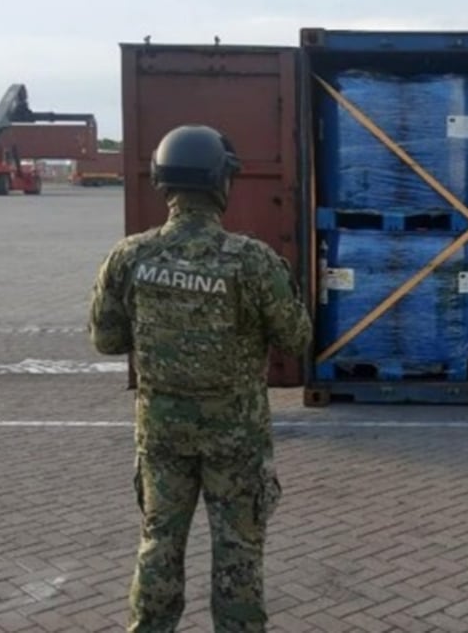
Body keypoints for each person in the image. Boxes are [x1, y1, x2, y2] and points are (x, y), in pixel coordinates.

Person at [87, 124, 312, 632]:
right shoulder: (251, 260)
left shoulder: (130, 256)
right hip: (236, 436)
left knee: (158, 543)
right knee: (239, 552)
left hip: (162, 432)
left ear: (162, 181)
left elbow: (107, 339)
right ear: (220, 181)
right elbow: (296, 337)